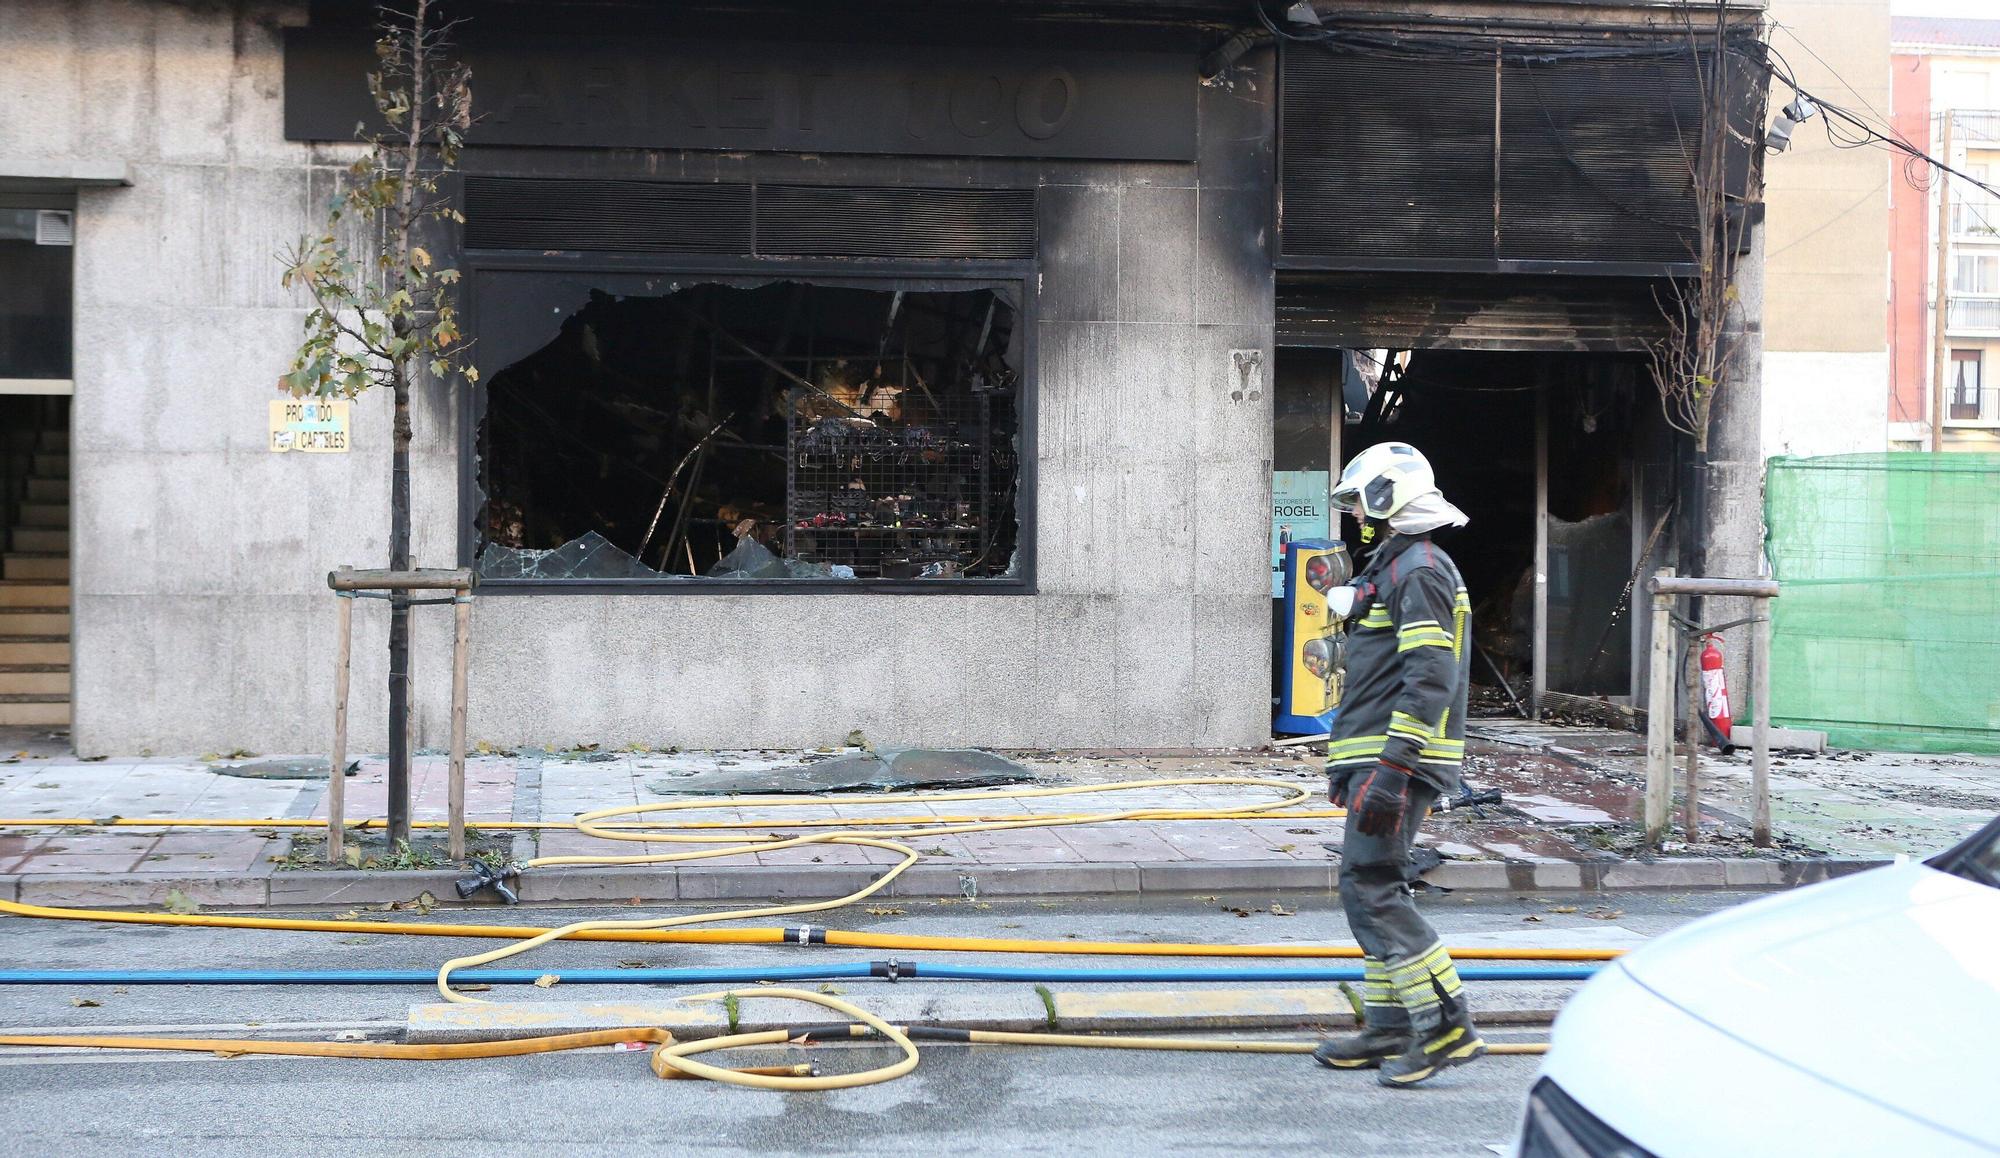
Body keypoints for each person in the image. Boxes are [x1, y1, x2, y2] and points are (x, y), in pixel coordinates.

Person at [1312, 441, 1483, 1088]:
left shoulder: (1420, 570)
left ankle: (1446, 1027)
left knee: (1374, 885)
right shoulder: (1396, 564)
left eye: (1361, 502)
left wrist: (1390, 771)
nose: (1356, 514)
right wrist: (1350, 767)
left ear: (1390, 498)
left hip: (1398, 762)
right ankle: (1390, 1026)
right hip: (1378, 757)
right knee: (1370, 885)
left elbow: (1431, 677)